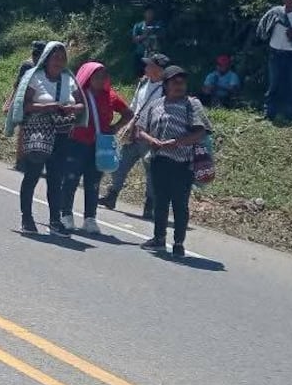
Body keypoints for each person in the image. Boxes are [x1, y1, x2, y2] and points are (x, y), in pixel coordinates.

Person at [7, 41, 85, 235]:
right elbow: (25, 105)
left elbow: (81, 105)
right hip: (39, 132)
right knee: (32, 174)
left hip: (61, 133)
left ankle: (54, 221)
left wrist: (71, 108)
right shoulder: (35, 77)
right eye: (55, 57)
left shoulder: (69, 79)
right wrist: (48, 107)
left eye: (62, 58)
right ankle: (27, 218)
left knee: (55, 177)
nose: (59, 61)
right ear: (47, 58)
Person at [136, 65, 209, 258]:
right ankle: (159, 238)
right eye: (174, 82)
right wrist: (152, 141)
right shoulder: (155, 105)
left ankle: (178, 242)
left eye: (182, 82)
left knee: (180, 204)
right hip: (159, 160)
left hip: (183, 163)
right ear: (166, 84)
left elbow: (201, 132)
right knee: (160, 201)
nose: (179, 85)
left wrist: (177, 143)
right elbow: (140, 129)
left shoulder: (192, 104)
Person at [63, 62, 132, 235]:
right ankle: (65, 214)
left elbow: (128, 113)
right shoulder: (77, 95)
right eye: (97, 76)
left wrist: (115, 128)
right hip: (76, 144)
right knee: (71, 179)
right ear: (88, 76)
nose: (101, 80)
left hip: (98, 146)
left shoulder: (110, 96)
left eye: (104, 76)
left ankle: (90, 218)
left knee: (93, 182)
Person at [99, 53, 170, 215]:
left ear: (158, 70)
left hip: (151, 135)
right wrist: (129, 125)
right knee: (121, 164)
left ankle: (149, 205)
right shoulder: (144, 82)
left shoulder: (166, 89)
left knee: (151, 172)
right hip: (134, 131)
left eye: (150, 65)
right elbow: (134, 104)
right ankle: (111, 195)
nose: (146, 67)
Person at [7, 40, 48, 172]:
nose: (36, 57)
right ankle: (20, 162)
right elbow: (18, 86)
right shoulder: (27, 65)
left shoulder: (48, 67)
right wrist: (10, 102)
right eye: (35, 54)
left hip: (42, 105)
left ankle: (36, 163)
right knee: (24, 132)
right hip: (26, 104)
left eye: (39, 54)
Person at [130, 8, 161, 73]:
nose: (150, 15)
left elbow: (161, 36)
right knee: (140, 74)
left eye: (151, 13)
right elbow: (134, 40)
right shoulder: (138, 26)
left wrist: (153, 31)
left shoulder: (158, 25)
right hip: (140, 54)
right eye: (148, 13)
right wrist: (144, 35)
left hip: (154, 54)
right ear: (144, 14)